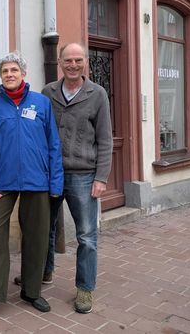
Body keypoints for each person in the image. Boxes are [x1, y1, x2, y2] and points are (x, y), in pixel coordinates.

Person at [0, 52, 63, 326]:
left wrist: (55, 182)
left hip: (37, 180)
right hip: (0, 182)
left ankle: (32, 291)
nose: (9, 74)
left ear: (23, 73)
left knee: (37, 237)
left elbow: (54, 144)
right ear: (0, 76)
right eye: (5, 71)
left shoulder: (41, 104)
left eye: (14, 70)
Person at [41, 42, 113, 314]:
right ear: (60, 62)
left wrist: (101, 177)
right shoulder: (48, 92)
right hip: (51, 174)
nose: (73, 65)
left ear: (86, 62)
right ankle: (43, 272)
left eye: (78, 60)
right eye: (68, 60)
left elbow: (105, 139)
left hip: (83, 175)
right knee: (44, 228)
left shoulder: (97, 94)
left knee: (86, 235)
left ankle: (85, 288)